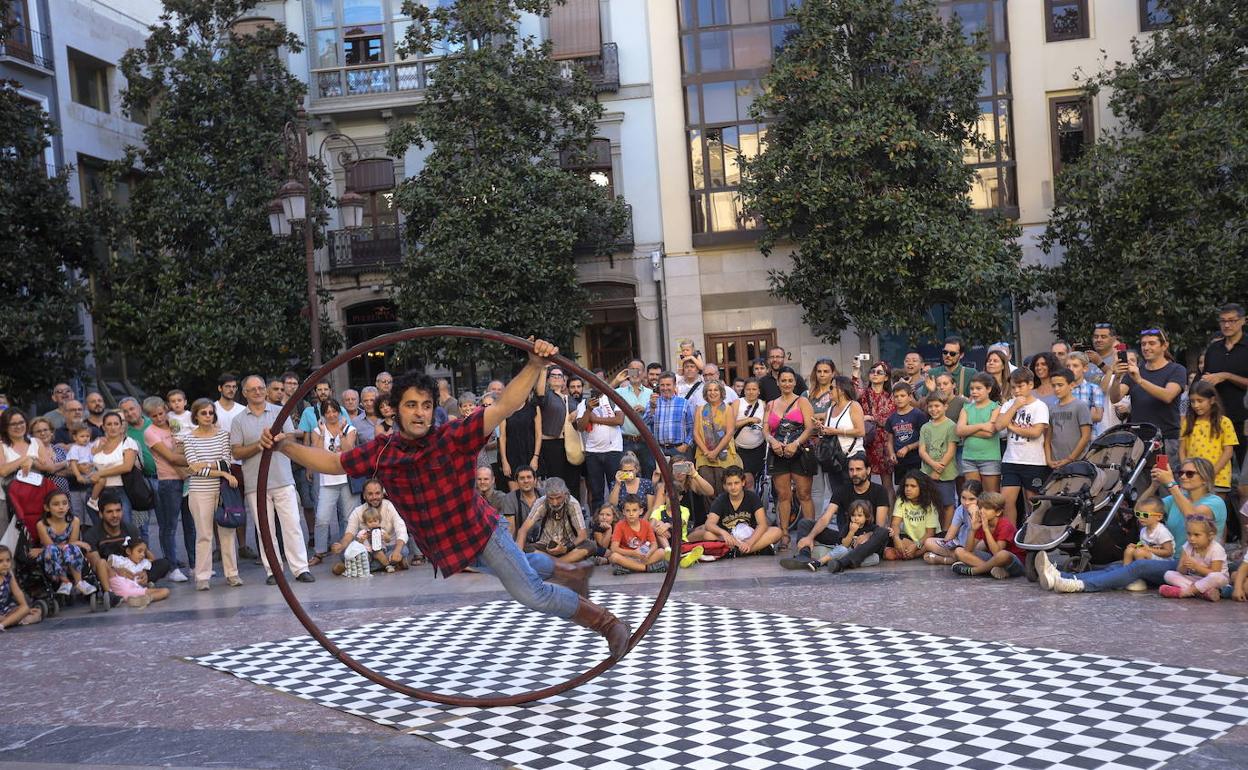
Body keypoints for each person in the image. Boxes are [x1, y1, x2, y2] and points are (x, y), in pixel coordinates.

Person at [264, 344, 633, 660]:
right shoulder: (383, 452)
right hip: (448, 548)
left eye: (425, 405)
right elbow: (331, 462)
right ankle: (569, 572)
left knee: (531, 593)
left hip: (480, 536)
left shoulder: (453, 436)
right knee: (520, 567)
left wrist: (535, 364)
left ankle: (608, 623)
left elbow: (504, 405)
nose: (420, 412)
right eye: (411, 405)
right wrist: (285, 446)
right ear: (395, 409)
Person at [230, 376, 314, 585]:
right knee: (264, 529)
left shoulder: (279, 412)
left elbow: (291, 439)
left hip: (283, 478)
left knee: (292, 525)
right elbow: (236, 452)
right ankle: (273, 570)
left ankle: (300, 568)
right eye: (253, 389)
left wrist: (279, 440)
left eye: (260, 388)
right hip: (255, 484)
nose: (257, 392)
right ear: (245, 393)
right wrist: (258, 445)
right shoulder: (238, 420)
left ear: (265, 391)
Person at [780, 454, 890, 569]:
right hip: (844, 537)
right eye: (851, 470)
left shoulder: (880, 491)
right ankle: (804, 556)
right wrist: (810, 537)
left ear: (868, 470)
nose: (854, 473)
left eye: (858, 469)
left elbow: (879, 525)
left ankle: (842, 562)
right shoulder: (842, 490)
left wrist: (868, 535)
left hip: (867, 540)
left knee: (883, 532)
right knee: (805, 523)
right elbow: (826, 517)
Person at [182, 398, 241, 591]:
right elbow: (192, 468)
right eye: (203, 413)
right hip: (200, 491)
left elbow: (226, 461)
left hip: (222, 489)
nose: (208, 416)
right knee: (204, 534)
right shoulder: (189, 438)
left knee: (227, 532)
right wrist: (221, 471)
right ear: (196, 416)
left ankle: (232, 573)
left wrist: (206, 465)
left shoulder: (224, 435)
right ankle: (202, 576)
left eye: (210, 412)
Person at [1109, 328, 1187, 458]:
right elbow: (1115, 398)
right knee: (1138, 478)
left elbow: (1168, 396)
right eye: (1143, 344)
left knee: (1164, 478)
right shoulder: (1135, 371)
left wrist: (1139, 380)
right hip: (1139, 439)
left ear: (1165, 346)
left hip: (1166, 439)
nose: (1146, 347)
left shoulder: (1176, 369)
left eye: (1152, 343)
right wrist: (1117, 377)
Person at [763, 367, 816, 549]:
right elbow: (765, 430)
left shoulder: (803, 402)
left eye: (789, 380)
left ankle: (809, 535)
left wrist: (796, 444)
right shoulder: (770, 404)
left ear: (795, 382)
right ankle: (784, 534)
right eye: (783, 380)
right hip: (778, 453)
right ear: (778, 382)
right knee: (783, 495)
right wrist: (772, 441)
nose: (786, 384)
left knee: (804, 494)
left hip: (799, 452)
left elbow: (810, 428)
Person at [140, 397, 190, 583]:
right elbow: (171, 457)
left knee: (190, 525)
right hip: (169, 481)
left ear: (166, 410)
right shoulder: (150, 432)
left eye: (161, 413)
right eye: (153, 416)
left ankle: (194, 565)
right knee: (169, 526)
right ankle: (173, 566)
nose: (159, 418)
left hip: (187, 478)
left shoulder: (176, 423)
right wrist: (198, 461)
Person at [995, 367, 1050, 525]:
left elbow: (1036, 432)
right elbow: (999, 425)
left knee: (1033, 501)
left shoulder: (1040, 406)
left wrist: (1011, 427)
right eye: (1013, 387)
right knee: (1006, 501)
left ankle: (1033, 533)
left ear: (1031, 385)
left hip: (1033, 461)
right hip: (1011, 460)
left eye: (1020, 386)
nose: (1017, 391)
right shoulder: (1009, 405)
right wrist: (1014, 407)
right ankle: (1010, 538)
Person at [687, 466, 780, 555]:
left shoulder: (752, 497)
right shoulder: (721, 500)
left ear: (743, 482)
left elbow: (762, 524)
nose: (733, 487)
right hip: (728, 539)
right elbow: (709, 524)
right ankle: (755, 549)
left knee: (777, 532)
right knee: (707, 535)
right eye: (729, 484)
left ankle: (738, 551)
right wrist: (724, 533)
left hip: (750, 536)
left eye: (736, 483)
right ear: (724, 486)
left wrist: (749, 543)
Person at [308, 399, 356, 567]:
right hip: (327, 480)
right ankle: (319, 552)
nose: (331, 415)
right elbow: (316, 453)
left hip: (347, 479)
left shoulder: (350, 429)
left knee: (348, 518)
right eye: (327, 412)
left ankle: (347, 549)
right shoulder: (317, 430)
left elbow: (349, 450)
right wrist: (322, 433)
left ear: (339, 412)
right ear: (323, 414)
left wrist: (341, 433)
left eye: (334, 411)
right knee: (321, 518)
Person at [1201, 304, 1247, 472]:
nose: (1227, 325)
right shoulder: (1214, 349)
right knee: (1214, 472)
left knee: (1244, 477)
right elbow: (1204, 377)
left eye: (1232, 321)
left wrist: (1226, 376)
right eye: (1223, 321)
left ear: (1243, 321)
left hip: (1243, 419)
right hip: (1216, 419)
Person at [331, 480, 410, 575]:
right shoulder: (358, 511)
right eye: (370, 494)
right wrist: (341, 545)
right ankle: (393, 564)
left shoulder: (390, 506)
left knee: (403, 550)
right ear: (364, 496)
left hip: (388, 547)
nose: (374, 497)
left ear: (382, 494)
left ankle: (349, 567)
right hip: (366, 550)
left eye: (377, 493)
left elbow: (401, 530)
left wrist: (397, 551)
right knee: (344, 552)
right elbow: (349, 533)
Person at [1179, 381, 1238, 494]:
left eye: (1200, 401)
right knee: (1190, 510)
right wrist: (1187, 471)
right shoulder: (1188, 422)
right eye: (1192, 401)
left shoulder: (1224, 422)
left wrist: (1210, 474)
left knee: (1213, 510)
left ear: (1212, 400)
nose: (1196, 405)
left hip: (1217, 478)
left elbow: (1228, 452)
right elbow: (1182, 450)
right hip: (1192, 479)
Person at [815, 375, 865, 507]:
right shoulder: (830, 409)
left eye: (832, 387)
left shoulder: (853, 406)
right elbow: (828, 432)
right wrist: (821, 429)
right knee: (838, 499)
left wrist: (836, 431)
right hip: (834, 459)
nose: (829, 390)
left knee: (855, 498)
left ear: (842, 390)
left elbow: (860, 431)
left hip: (853, 456)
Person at [1155, 457, 1227, 548]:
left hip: (1198, 560)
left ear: (1205, 479)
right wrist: (1154, 485)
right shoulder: (1175, 498)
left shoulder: (1215, 502)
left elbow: (1193, 517)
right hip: (1171, 557)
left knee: (1139, 562)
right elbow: (1140, 510)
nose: (1183, 477)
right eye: (1181, 473)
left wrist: (1171, 484)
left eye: (1190, 474)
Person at [951, 490, 1024, 579]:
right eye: (980, 507)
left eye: (987, 508)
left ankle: (974, 571)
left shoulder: (1005, 525)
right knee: (959, 551)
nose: (982, 511)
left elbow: (997, 552)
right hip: (994, 562)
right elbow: (968, 550)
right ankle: (991, 570)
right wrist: (973, 529)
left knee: (1003, 554)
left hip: (1013, 562)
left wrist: (986, 530)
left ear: (998, 512)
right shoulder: (982, 523)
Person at [513, 478, 592, 560]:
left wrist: (565, 548)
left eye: (558, 498)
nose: (555, 503)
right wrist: (519, 556)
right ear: (546, 495)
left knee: (590, 545)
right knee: (526, 548)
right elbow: (523, 530)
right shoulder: (541, 502)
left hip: (568, 546)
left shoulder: (572, 503)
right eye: (551, 498)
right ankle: (564, 562)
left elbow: (582, 535)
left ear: (565, 494)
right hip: (545, 546)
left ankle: (554, 563)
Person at [575, 385, 625, 513]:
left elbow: (619, 420)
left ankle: (616, 520)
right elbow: (580, 426)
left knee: (616, 488)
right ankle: (597, 522)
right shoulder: (583, 403)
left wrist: (596, 419)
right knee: (596, 492)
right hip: (593, 452)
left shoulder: (614, 399)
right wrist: (588, 409)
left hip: (613, 450)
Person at [35, 490, 94, 596]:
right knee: (52, 549)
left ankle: (79, 582)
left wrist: (76, 544)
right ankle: (65, 582)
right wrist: (78, 543)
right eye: (56, 504)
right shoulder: (42, 525)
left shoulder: (74, 521)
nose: (61, 507)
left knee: (70, 548)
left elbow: (71, 544)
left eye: (64, 503)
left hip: (69, 557)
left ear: (68, 506)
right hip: (51, 558)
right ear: (47, 508)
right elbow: (50, 545)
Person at [535, 365, 580, 497]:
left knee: (573, 481)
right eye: (552, 375)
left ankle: (574, 511)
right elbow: (540, 392)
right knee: (556, 482)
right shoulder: (547, 396)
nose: (556, 378)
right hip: (551, 444)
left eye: (559, 375)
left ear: (564, 380)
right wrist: (543, 369)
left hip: (570, 443)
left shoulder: (570, 399)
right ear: (548, 380)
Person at [692, 380, 739, 499]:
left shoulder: (728, 409)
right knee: (707, 491)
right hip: (704, 456)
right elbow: (696, 433)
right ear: (705, 393)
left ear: (721, 392)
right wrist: (707, 452)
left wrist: (715, 452)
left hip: (724, 454)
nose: (712, 393)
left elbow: (729, 433)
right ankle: (710, 516)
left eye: (715, 390)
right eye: (709, 390)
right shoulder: (700, 409)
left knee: (724, 489)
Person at [1160, 516, 1227, 600]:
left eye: (1196, 535)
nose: (1191, 538)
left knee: (1217, 577)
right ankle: (1202, 593)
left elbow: (1215, 572)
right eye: (1189, 534)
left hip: (1215, 581)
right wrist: (1184, 566)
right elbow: (1180, 571)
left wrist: (1196, 567)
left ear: (1210, 536)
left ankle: (1185, 592)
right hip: (1196, 580)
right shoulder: (1188, 546)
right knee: (1169, 574)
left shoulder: (1216, 549)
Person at [87, 412, 140, 517]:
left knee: (124, 526)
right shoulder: (98, 443)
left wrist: (100, 474)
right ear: (103, 427)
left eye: (116, 424)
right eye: (109, 424)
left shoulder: (128, 442)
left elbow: (127, 467)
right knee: (101, 528)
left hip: (120, 490)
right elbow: (88, 463)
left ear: (121, 426)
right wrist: (92, 474)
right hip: (97, 490)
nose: (113, 427)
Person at [857, 361, 897, 500]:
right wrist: (855, 371)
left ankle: (891, 519)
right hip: (866, 440)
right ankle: (867, 516)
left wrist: (868, 417)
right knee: (863, 480)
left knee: (887, 484)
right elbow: (850, 391)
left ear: (886, 377)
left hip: (885, 443)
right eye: (872, 371)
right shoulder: (863, 394)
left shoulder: (891, 397)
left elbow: (888, 420)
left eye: (879, 372)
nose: (875, 374)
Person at [918, 391, 958, 526]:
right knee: (930, 505)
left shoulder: (951, 426)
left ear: (945, 406)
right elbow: (922, 450)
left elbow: (950, 451)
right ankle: (934, 530)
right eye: (930, 406)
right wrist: (933, 465)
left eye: (937, 406)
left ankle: (946, 532)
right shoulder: (925, 427)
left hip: (946, 474)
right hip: (927, 473)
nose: (933, 409)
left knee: (947, 504)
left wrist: (938, 470)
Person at [957, 373, 1001, 493]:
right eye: (972, 389)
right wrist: (981, 426)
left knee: (991, 496)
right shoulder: (966, 408)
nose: (974, 392)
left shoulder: (995, 407)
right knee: (973, 495)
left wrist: (968, 431)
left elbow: (990, 432)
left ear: (989, 389)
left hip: (990, 458)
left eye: (978, 388)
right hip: (969, 458)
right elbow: (959, 430)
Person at [923, 480, 981, 565]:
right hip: (960, 545)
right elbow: (948, 537)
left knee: (979, 547)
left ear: (980, 499)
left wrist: (974, 515)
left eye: (972, 499)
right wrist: (947, 544)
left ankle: (946, 560)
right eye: (963, 498)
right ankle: (961, 558)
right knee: (928, 542)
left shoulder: (984, 511)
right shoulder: (960, 509)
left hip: (975, 546)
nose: (966, 503)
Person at [1045, 368, 1093, 470]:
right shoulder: (1052, 408)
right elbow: (1048, 437)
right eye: (1053, 385)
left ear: (1071, 385)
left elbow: (1086, 436)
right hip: (1056, 463)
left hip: (1077, 462)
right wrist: (1049, 460)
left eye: (1060, 385)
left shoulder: (1080, 406)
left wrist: (1070, 458)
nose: (1056, 389)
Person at [885, 470, 939, 561]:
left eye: (913, 486)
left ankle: (914, 554)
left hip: (926, 540)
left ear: (922, 488)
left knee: (930, 543)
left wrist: (916, 546)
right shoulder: (901, 500)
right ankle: (910, 553)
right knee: (892, 545)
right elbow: (895, 524)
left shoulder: (930, 504)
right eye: (906, 486)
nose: (908, 489)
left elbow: (930, 533)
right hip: (908, 539)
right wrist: (896, 538)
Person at [608, 495, 668, 574]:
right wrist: (633, 553)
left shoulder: (646, 524)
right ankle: (646, 568)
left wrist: (649, 553)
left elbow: (654, 544)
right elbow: (614, 548)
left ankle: (630, 568)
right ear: (623, 512)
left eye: (634, 510)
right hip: (628, 557)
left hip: (643, 557)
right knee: (614, 557)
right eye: (628, 510)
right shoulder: (620, 525)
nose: (631, 514)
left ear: (641, 511)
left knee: (662, 552)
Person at [885, 383, 927, 493]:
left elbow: (925, 439)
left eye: (902, 396)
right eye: (896, 396)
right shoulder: (891, 418)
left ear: (909, 397)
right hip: (900, 462)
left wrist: (908, 447)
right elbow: (889, 440)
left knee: (917, 488)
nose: (899, 399)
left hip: (916, 460)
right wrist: (891, 453)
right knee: (903, 490)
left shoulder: (918, 415)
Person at [107, 536, 170, 608]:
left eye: (144, 552)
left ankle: (146, 598)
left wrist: (145, 549)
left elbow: (153, 559)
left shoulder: (143, 563)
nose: (142, 555)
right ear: (128, 551)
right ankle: (146, 598)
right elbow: (106, 565)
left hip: (135, 589)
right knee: (164, 591)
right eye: (139, 551)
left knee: (165, 591)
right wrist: (116, 570)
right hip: (122, 586)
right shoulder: (122, 560)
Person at [645, 372, 694, 462]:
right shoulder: (653, 402)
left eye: (668, 385)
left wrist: (686, 445)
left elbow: (692, 427)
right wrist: (652, 408)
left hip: (679, 450)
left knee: (680, 475)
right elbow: (646, 424)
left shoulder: (684, 403)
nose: (665, 388)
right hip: (659, 450)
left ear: (674, 385)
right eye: (662, 385)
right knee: (660, 475)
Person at [498, 391, 541, 491]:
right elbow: (502, 436)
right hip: (512, 455)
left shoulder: (534, 408)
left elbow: (538, 434)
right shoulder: (505, 409)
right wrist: (504, 461)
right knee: (515, 494)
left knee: (533, 493)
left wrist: (536, 457)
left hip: (530, 454)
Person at [733, 378, 767, 490]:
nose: (751, 392)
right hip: (740, 449)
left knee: (757, 480)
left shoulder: (763, 404)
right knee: (748, 481)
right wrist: (749, 420)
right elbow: (731, 424)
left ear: (759, 391)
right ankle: (752, 506)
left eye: (754, 389)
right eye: (748, 389)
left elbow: (767, 426)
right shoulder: (738, 402)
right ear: (744, 390)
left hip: (758, 448)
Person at [1122, 496, 1174, 564]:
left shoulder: (1162, 531)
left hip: (1164, 561)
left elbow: (1169, 552)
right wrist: (1136, 546)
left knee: (1139, 553)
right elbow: (1144, 545)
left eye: (1145, 515)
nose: (1141, 517)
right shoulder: (1143, 530)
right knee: (1129, 551)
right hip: (1150, 555)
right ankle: (1126, 571)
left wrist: (1149, 549)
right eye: (1138, 514)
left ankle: (1141, 573)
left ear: (1159, 517)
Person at [1065, 352, 1106, 436]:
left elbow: (1098, 416)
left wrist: (1068, 414)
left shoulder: (1093, 389)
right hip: (1066, 439)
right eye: (1068, 366)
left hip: (1089, 439)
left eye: (1075, 366)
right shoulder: (1061, 389)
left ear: (1085, 368)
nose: (1071, 369)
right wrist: (1087, 413)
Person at [0, 544, 40, 628]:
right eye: (1, 561)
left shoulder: (9, 575)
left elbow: (18, 593)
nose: (5, 564)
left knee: (31, 611)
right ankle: (11, 621)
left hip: (7, 610)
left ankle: (4, 624)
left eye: (8, 560)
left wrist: (26, 610)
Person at [66, 424, 98, 523]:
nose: (85, 439)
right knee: (77, 511)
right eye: (82, 436)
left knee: (89, 511)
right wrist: (78, 475)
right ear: (75, 437)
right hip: (78, 480)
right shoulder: (75, 448)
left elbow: (96, 452)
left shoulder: (90, 446)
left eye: (87, 436)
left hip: (90, 475)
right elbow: (73, 463)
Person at [500, 466, 541, 534]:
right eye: (522, 478)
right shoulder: (510, 498)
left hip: (544, 540)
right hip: (520, 542)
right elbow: (510, 528)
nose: (526, 481)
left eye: (529, 477)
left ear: (535, 479)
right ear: (517, 481)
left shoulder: (544, 495)